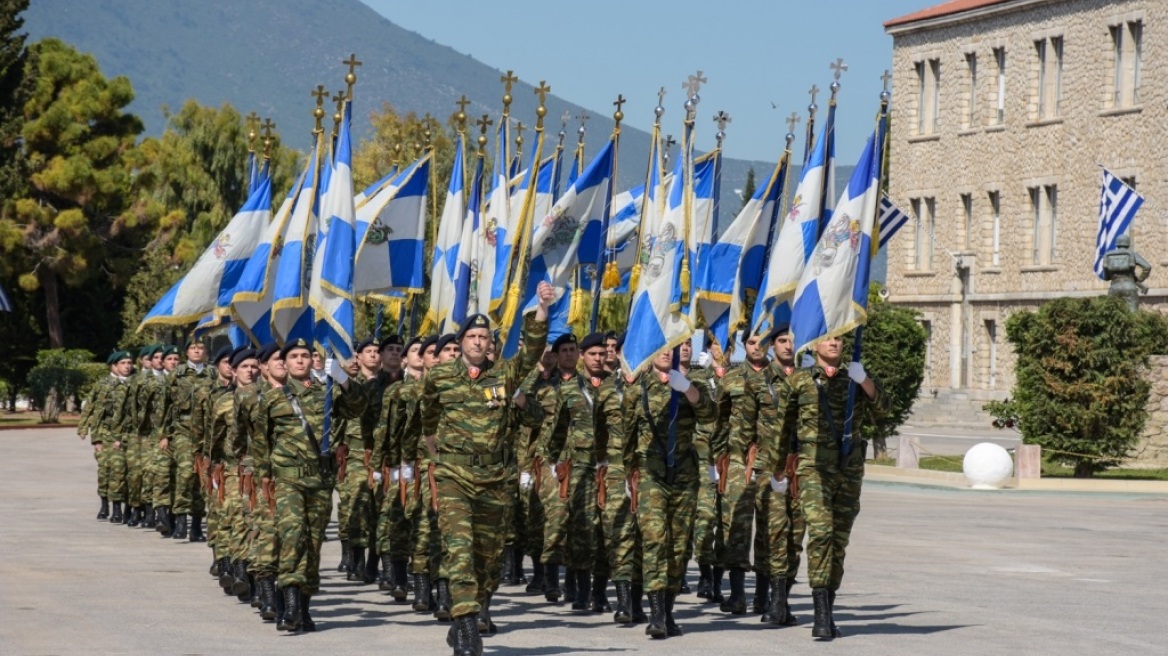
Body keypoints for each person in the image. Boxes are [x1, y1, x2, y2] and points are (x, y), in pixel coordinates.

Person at [421, 281, 553, 655]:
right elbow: (427, 414)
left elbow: (530, 354)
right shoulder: (440, 376)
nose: (478, 342)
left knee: (489, 557)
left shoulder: (504, 376)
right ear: (461, 342)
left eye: (484, 336)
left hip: (496, 479)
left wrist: (542, 310)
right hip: (454, 477)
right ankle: (465, 627)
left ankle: (475, 607)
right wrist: (434, 445)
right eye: (472, 336)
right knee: (459, 551)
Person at [256, 339, 364, 632]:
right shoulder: (271, 399)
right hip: (288, 478)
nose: (301, 361)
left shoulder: (326, 393)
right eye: (294, 357)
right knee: (293, 536)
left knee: (314, 542)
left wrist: (344, 380)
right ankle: (289, 604)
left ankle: (303, 606)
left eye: (306, 356)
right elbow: (261, 441)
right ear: (286, 363)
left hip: (319, 479)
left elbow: (357, 409)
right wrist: (265, 478)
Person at [786, 335, 889, 639]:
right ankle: (819, 615)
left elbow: (883, 410)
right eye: (827, 339)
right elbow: (783, 426)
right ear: (814, 345)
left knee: (839, 541)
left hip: (848, 470)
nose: (834, 344)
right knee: (821, 533)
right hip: (813, 467)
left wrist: (865, 381)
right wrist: (779, 470)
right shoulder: (801, 381)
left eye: (840, 339)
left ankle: (828, 610)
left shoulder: (855, 378)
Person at [624, 345, 716, 638]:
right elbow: (627, 437)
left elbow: (710, 414)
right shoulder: (637, 390)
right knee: (654, 539)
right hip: (652, 474)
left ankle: (668, 609)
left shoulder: (692, 386)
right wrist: (630, 476)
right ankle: (656, 614)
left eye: (672, 348)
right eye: (662, 348)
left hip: (684, 475)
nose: (667, 353)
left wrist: (687, 388)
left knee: (678, 546)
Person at [715, 330, 771, 616]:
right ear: (743, 346)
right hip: (739, 462)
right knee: (736, 529)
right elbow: (719, 420)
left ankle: (764, 596)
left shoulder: (782, 378)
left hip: (772, 464)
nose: (757, 347)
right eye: (751, 342)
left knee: (770, 530)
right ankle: (737, 594)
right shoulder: (731, 379)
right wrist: (719, 461)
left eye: (763, 342)